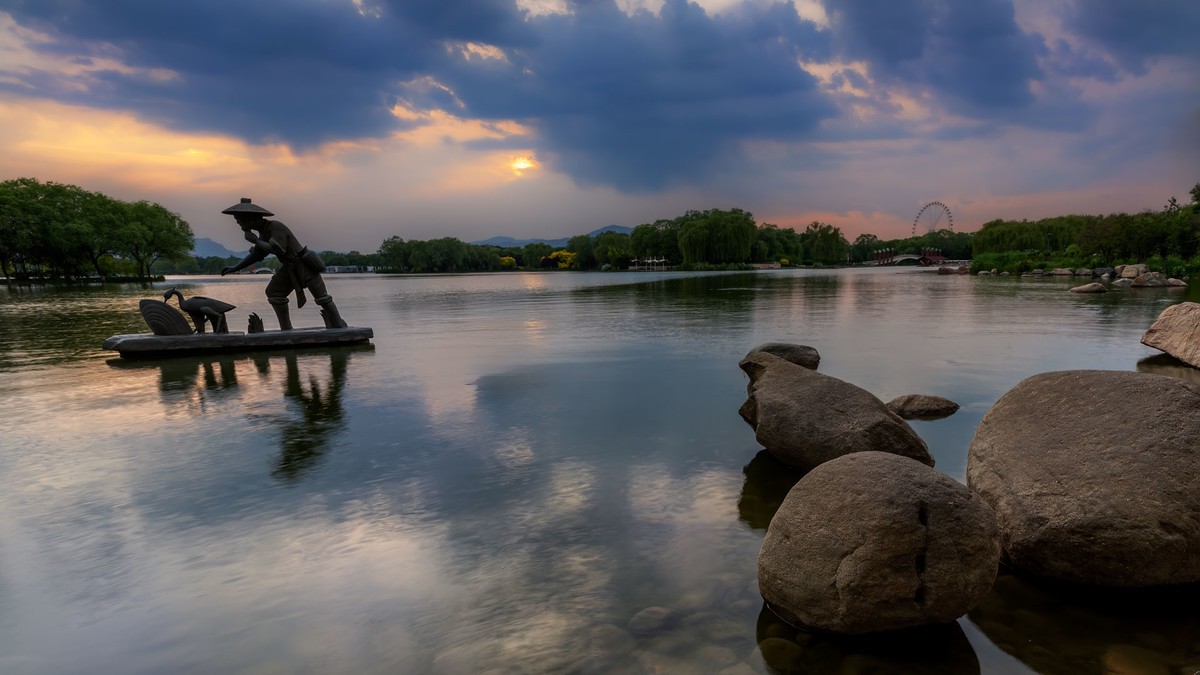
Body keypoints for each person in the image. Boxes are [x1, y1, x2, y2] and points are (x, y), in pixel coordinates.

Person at [219, 198, 348, 330]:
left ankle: (339, 326)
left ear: (250, 218)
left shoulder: (275, 226)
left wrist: (257, 241)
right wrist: (235, 267)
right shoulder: (263, 232)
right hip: (289, 268)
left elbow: (279, 249)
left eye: (239, 219)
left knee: (322, 298)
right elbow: (256, 255)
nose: (238, 222)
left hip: (304, 265)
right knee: (274, 292)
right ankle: (286, 328)